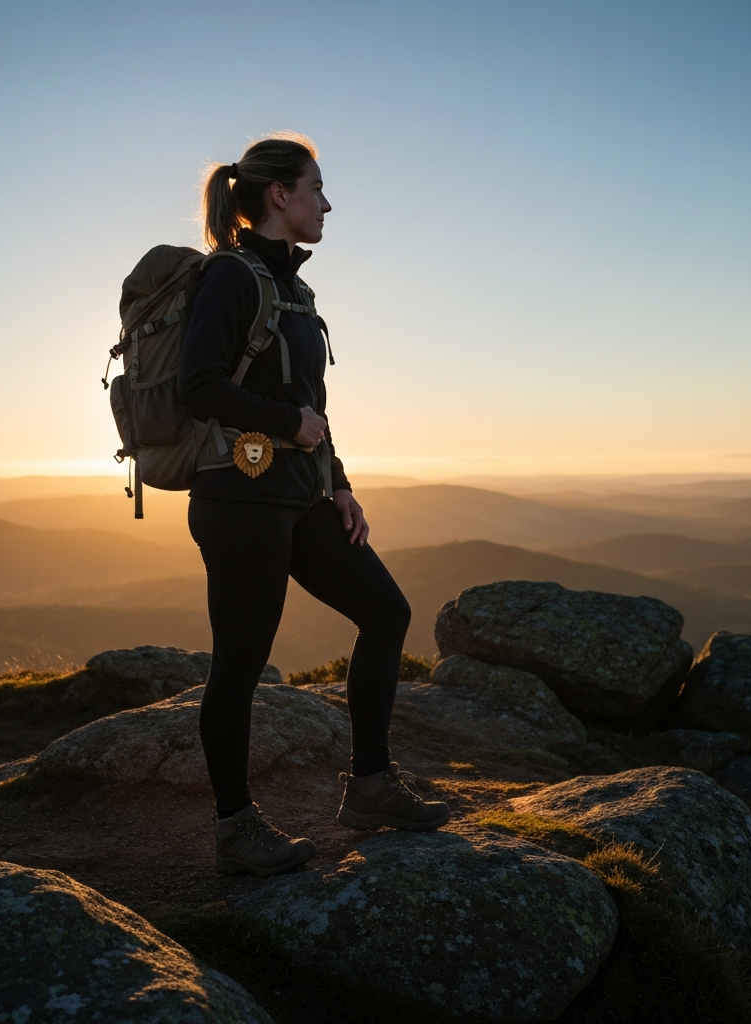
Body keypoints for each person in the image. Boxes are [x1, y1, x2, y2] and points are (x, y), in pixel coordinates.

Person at [179, 132, 450, 876]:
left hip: (301, 496)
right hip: (239, 497)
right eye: (317, 188)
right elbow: (197, 383)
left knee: (387, 612)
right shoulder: (230, 277)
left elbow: (311, 405)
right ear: (279, 195)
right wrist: (285, 424)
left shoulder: (295, 290)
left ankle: (369, 787)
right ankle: (236, 829)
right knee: (241, 663)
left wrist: (341, 483)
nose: (327, 203)